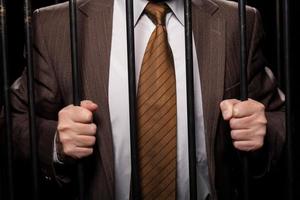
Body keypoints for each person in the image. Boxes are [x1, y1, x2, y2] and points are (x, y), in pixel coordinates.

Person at [8, 0, 285, 199]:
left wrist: (262, 133)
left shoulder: (237, 21)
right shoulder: (56, 25)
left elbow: (276, 117)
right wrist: (56, 143)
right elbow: (14, 120)